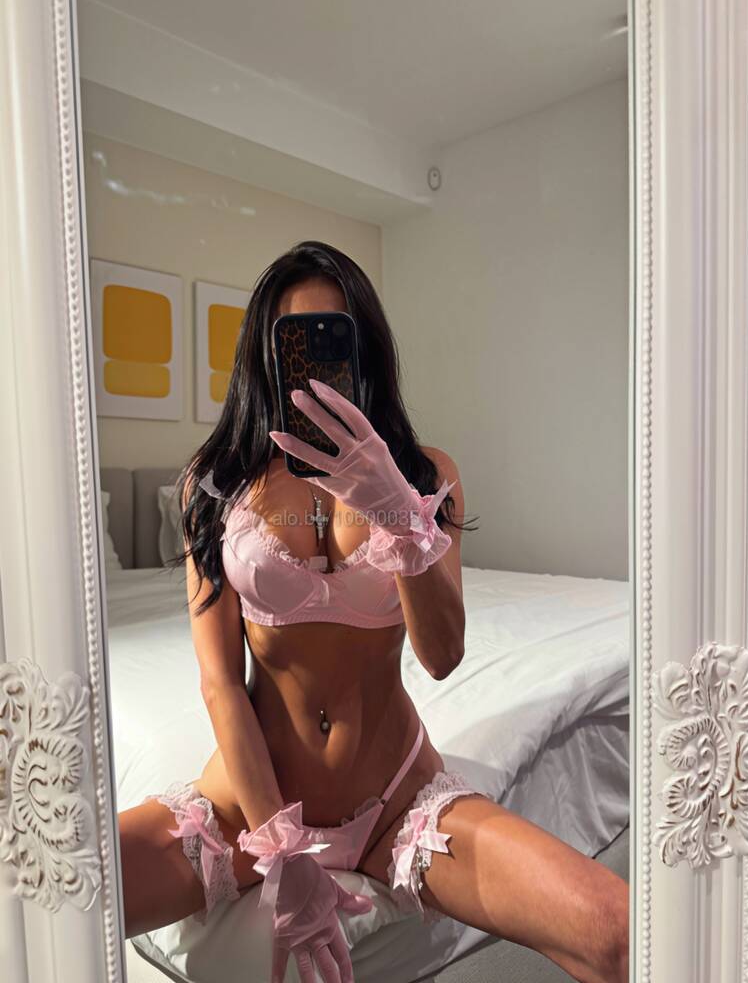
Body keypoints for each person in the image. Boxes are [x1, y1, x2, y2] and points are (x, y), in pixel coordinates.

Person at [118, 241, 629, 983]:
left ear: (367, 350)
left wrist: (401, 517)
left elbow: (443, 656)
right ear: (264, 354)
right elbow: (221, 683)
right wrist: (281, 852)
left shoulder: (424, 473)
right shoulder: (218, 481)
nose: (315, 363)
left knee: (617, 931)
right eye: (294, 342)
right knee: (54, 888)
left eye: (335, 338)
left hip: (397, 805)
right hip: (245, 811)